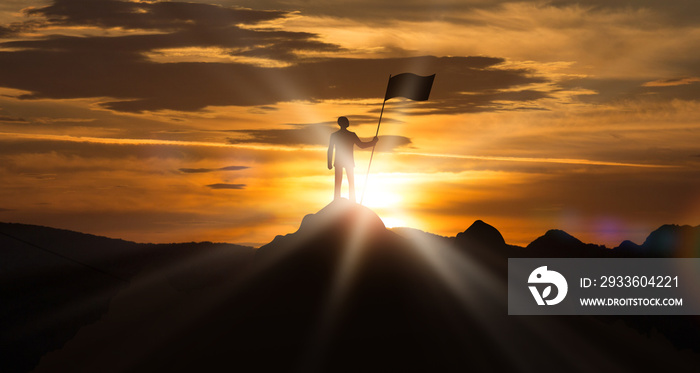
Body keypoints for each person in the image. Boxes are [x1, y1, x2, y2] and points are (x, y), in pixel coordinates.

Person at [327, 116, 378, 202]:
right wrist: (373, 142)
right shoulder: (350, 135)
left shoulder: (335, 135)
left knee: (342, 182)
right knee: (348, 181)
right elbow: (361, 145)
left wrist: (373, 142)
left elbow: (330, 149)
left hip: (343, 161)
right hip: (346, 161)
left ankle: (342, 199)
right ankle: (348, 199)